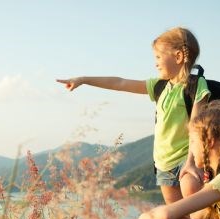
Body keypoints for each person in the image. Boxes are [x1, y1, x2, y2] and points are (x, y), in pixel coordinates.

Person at [57, 27, 210, 207]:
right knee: (177, 218)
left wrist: (192, 162)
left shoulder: (195, 85)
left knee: (197, 216)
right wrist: (84, 79)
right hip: (163, 165)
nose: (156, 63)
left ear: (178, 57)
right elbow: (119, 83)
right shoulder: (159, 87)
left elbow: (196, 128)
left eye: (159, 57)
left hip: (188, 160)